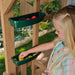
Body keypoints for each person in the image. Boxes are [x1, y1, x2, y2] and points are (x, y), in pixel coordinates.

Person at [19, 5, 75, 75]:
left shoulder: (71, 59)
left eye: (58, 31)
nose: (55, 32)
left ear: (70, 32)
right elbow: (46, 46)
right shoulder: (61, 42)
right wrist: (28, 51)